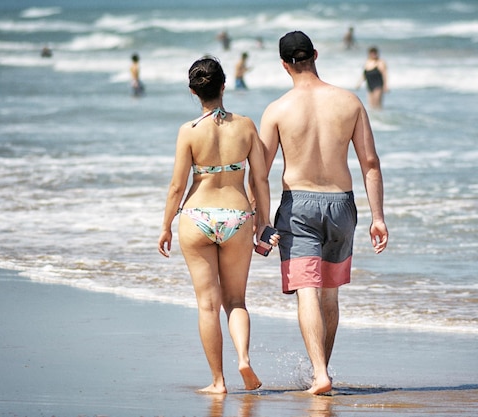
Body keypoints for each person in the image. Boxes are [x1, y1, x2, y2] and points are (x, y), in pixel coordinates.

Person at [258, 31, 388, 395]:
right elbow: (371, 163)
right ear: (315, 54)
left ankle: (320, 374)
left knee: (307, 292)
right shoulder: (349, 102)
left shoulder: (278, 109)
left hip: (298, 206)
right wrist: (378, 217)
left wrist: (261, 221)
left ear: (284, 65)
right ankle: (322, 370)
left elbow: (260, 172)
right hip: (342, 204)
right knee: (329, 294)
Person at [158, 56, 277, 394]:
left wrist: (166, 225)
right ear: (224, 85)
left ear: (193, 92)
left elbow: (177, 187)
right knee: (236, 301)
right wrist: (263, 222)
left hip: (197, 217)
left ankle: (218, 381)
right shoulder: (246, 126)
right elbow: (261, 178)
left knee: (208, 305)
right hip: (238, 217)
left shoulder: (188, 132)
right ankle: (243, 358)